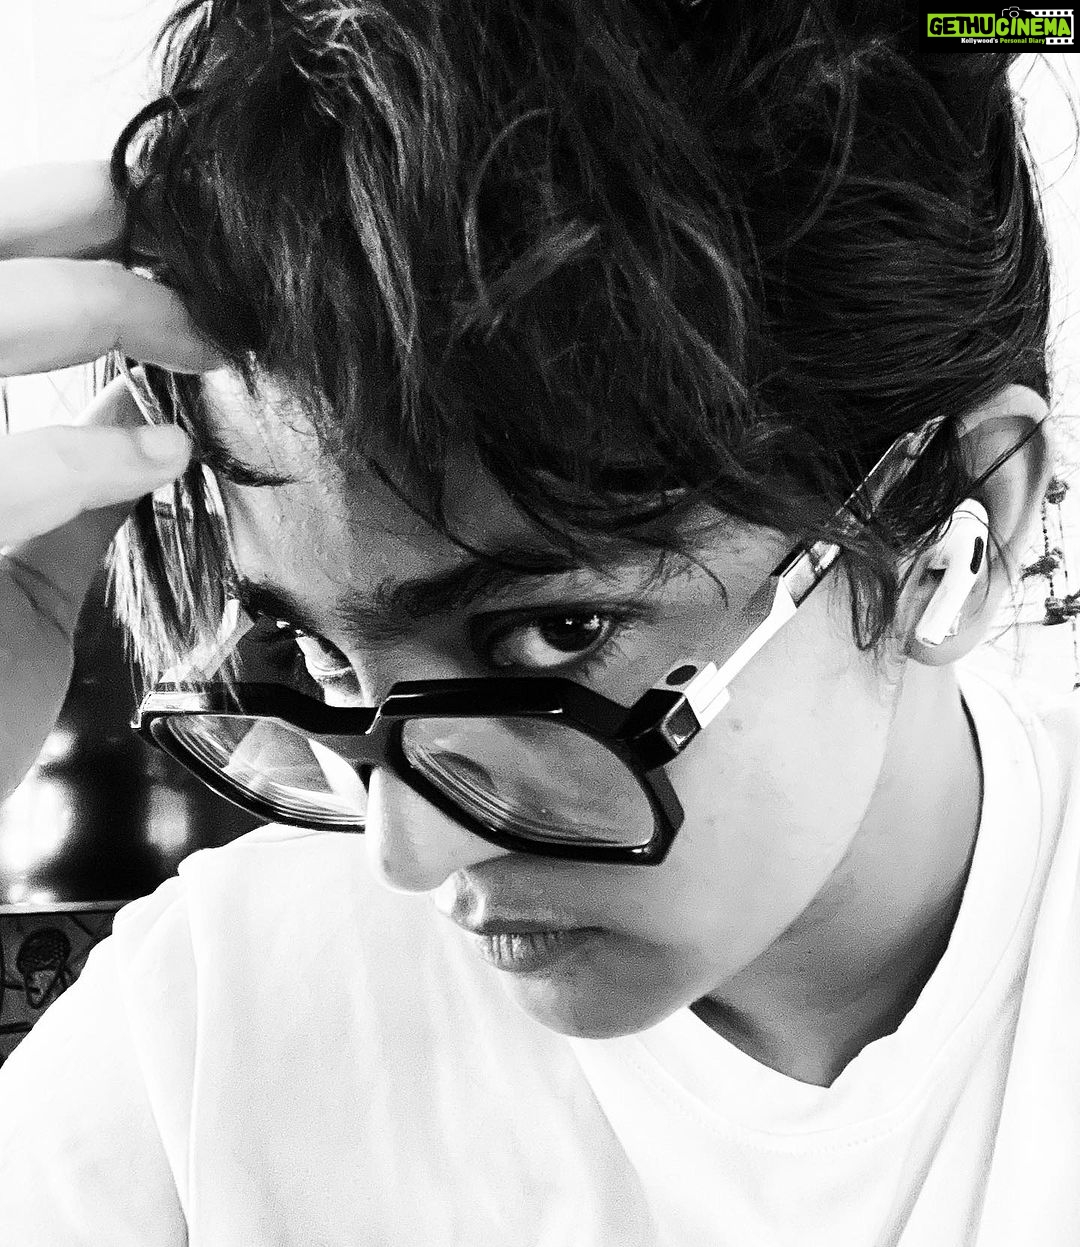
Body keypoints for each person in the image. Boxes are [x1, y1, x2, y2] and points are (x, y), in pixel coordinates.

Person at [0, 1, 1075, 1242]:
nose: (408, 851)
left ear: (962, 525)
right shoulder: (199, 1040)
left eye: (556, 633)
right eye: (319, 652)